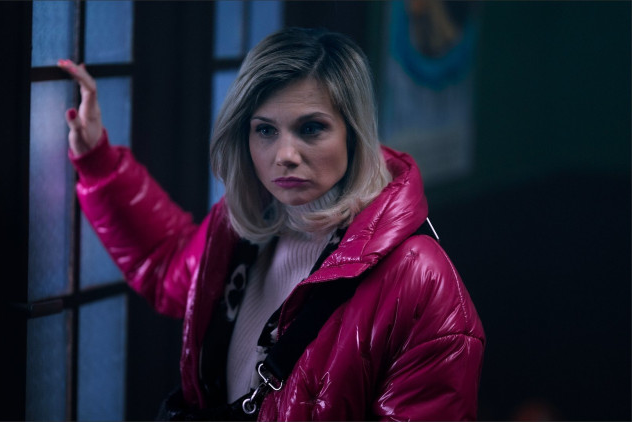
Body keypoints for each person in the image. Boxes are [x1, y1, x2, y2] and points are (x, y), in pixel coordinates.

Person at [58, 27, 484, 421]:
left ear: (354, 134)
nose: (285, 155)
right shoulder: (247, 228)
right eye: (265, 130)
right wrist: (97, 161)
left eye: (311, 128)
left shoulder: (420, 280)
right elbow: (170, 264)